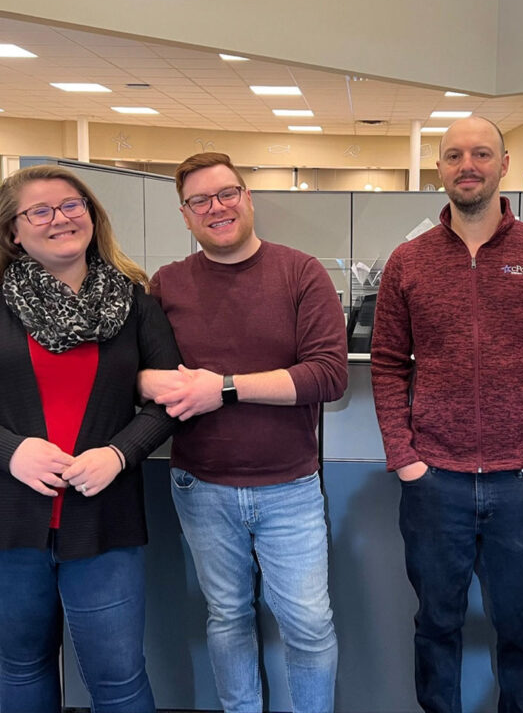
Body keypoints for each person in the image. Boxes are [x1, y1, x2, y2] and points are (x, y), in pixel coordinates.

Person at [370, 116, 523, 713]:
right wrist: (406, 459)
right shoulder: (408, 261)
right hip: (433, 486)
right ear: (439, 168)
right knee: (435, 629)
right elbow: (387, 365)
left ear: (504, 164)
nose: (467, 165)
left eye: (481, 154)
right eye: (453, 155)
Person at [138, 152, 347, 713]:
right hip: (200, 485)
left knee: (308, 624)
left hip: (290, 487)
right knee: (227, 617)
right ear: (185, 216)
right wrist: (147, 377)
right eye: (200, 200)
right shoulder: (168, 284)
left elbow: (329, 375)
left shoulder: (301, 272)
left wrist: (224, 387)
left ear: (248, 198)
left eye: (227, 193)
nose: (217, 207)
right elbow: (141, 370)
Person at [0, 165, 181, 713]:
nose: (61, 218)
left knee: (119, 680)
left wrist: (119, 453)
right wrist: (12, 449)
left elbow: (169, 399)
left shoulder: (135, 303)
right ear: (13, 231)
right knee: (19, 668)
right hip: (11, 522)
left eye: (72, 205)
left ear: (91, 215)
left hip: (105, 519)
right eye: (41, 210)